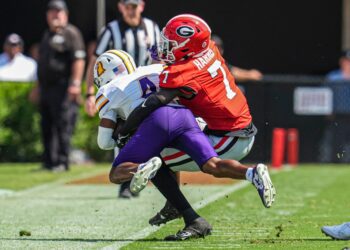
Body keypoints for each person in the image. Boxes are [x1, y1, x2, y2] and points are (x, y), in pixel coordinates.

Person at [93, 49, 275, 241]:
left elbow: (104, 142)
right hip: (185, 116)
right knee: (212, 164)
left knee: (117, 173)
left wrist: (121, 132)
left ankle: (142, 168)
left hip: (156, 122)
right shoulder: (155, 68)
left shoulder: (110, 89)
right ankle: (251, 173)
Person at [85, 0, 160, 198]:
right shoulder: (111, 30)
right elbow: (95, 60)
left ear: (142, 6)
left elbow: (158, 58)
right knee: (121, 132)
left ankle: (155, 175)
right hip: (121, 90)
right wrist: (89, 93)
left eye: (134, 6)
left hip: (145, 89)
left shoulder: (152, 28)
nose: (131, 10)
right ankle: (127, 181)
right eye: (127, 6)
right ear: (120, 7)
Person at [29, 0, 86, 172]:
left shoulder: (71, 33)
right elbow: (43, 64)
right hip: (46, 88)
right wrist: (37, 86)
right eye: (52, 12)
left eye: (58, 12)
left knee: (63, 125)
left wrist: (75, 84)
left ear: (65, 15)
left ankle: (62, 161)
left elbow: (79, 60)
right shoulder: (47, 35)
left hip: (63, 87)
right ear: (47, 15)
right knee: (47, 125)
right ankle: (49, 161)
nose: (55, 15)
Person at [319, 50, 350, 163]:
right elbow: (324, 95)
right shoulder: (333, 77)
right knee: (336, 142)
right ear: (342, 62)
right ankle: (336, 161)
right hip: (338, 116)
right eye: (347, 62)